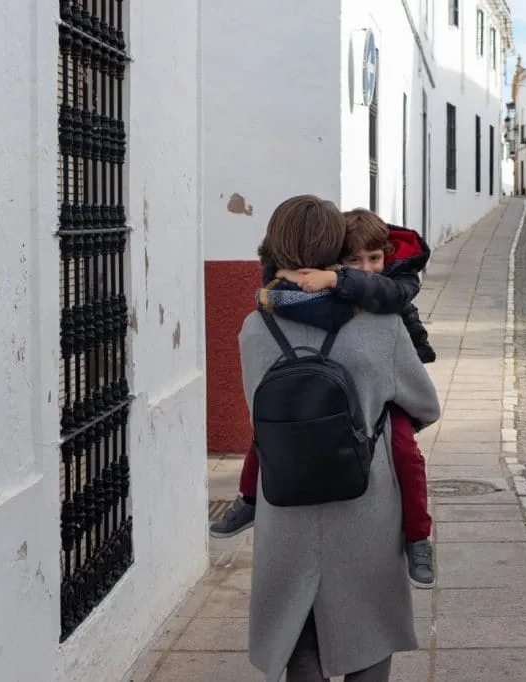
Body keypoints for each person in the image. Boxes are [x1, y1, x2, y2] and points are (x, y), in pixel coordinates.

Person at [241, 195, 440, 682]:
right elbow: (426, 406)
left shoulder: (254, 326)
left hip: (284, 501)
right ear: (336, 251)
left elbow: (256, 413)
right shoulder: (380, 325)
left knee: (299, 640)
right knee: (367, 633)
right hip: (364, 504)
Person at [211, 210, 439, 588]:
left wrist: (329, 278)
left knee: (404, 451)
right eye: (353, 261)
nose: (366, 269)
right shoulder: (346, 310)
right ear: (332, 259)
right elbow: (428, 407)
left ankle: (418, 536)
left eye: (374, 259)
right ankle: (248, 499)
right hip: (353, 447)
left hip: (370, 406)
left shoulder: (394, 284)